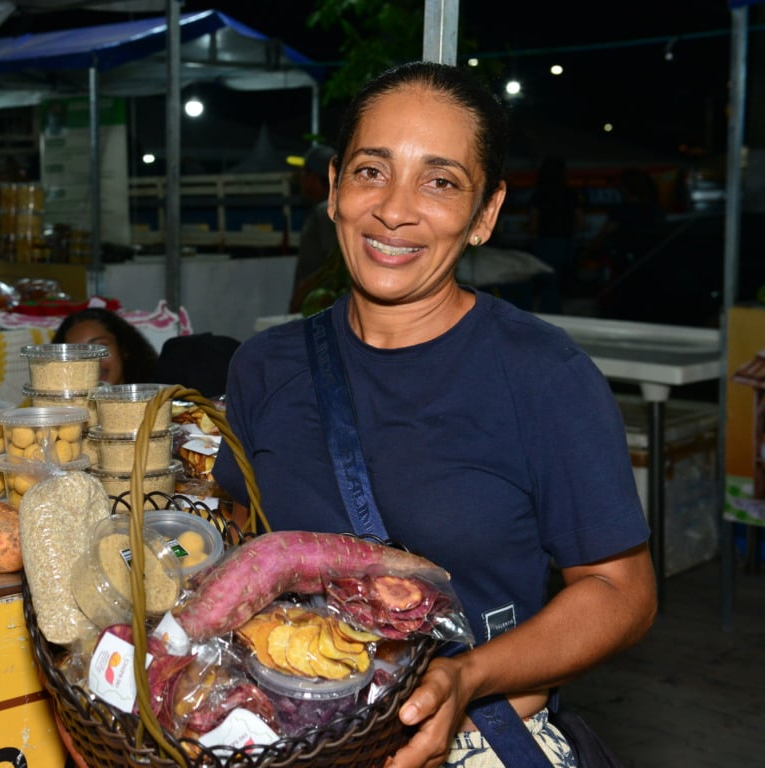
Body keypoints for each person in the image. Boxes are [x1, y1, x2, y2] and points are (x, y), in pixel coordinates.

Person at [213, 62, 656, 768]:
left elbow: (620, 592)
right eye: (370, 171)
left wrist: (469, 676)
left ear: (485, 214)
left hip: (470, 737)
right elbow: (240, 542)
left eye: (440, 182)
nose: (395, 209)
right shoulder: (265, 366)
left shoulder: (542, 376)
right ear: (334, 188)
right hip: (287, 732)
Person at [527, 154, 584, 313]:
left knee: (546, 283)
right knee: (561, 282)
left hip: (545, 242)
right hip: (566, 243)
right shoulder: (571, 194)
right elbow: (580, 223)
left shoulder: (539, 194)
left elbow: (533, 225)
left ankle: (549, 315)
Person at [289, 143, 340, 313]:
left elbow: (332, 265)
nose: (301, 179)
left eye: (304, 173)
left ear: (315, 177)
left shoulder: (325, 211)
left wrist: (301, 292)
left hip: (317, 304)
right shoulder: (325, 209)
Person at [52, 307, 158, 386]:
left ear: (123, 348)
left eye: (99, 347)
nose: (90, 361)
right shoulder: (56, 407)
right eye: (75, 353)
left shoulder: (157, 403)